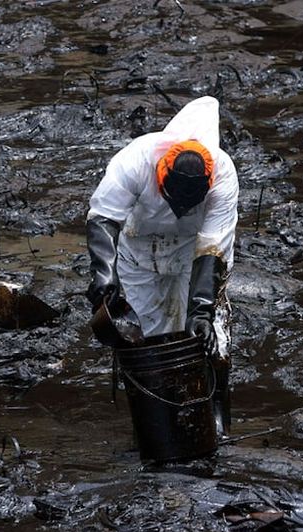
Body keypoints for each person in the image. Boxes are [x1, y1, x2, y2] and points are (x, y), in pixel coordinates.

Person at [85, 96, 238, 436]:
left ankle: (214, 423)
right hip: (139, 254)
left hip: (192, 259)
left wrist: (201, 310)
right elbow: (103, 219)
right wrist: (105, 277)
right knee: (145, 342)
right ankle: (156, 424)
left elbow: (211, 247)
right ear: (162, 175)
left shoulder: (224, 177)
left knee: (210, 340)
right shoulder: (135, 160)